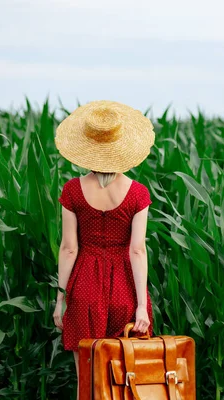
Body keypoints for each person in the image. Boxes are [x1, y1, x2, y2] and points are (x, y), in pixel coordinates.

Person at [51, 100, 156, 393]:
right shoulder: (138, 194)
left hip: (84, 287)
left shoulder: (73, 190)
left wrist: (61, 299)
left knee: (88, 380)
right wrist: (140, 307)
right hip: (125, 288)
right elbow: (137, 250)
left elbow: (69, 248)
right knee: (124, 382)